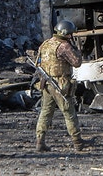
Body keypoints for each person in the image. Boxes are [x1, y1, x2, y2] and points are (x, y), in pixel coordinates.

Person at [35, 20, 86, 152]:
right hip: (60, 84)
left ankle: (40, 141)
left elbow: (38, 63)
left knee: (45, 111)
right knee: (69, 112)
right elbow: (77, 63)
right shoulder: (64, 46)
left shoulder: (45, 44)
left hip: (46, 82)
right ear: (66, 34)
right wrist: (76, 48)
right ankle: (77, 142)